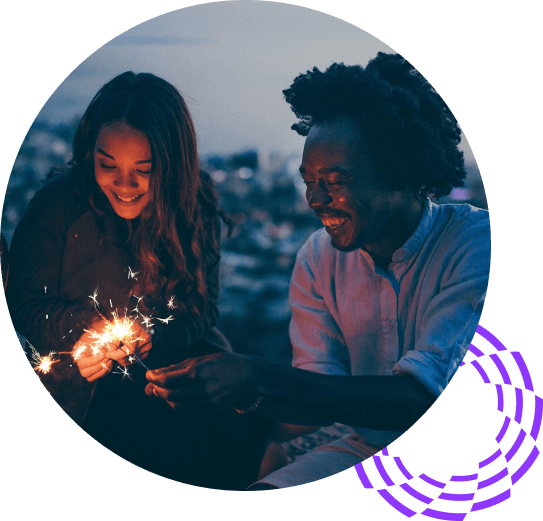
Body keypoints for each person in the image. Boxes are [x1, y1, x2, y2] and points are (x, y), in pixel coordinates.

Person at [144, 53, 491, 490]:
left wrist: (256, 373)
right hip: (365, 447)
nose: (316, 198)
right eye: (309, 180)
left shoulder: (473, 245)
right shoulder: (318, 257)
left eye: (336, 181)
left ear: (400, 172)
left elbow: (421, 399)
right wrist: (238, 392)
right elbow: (319, 395)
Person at [5, 71, 274, 490]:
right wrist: (85, 331)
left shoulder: (194, 203)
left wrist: (151, 333)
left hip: (166, 377)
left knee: (236, 433)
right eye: (107, 165)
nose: (125, 185)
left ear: (172, 164)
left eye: (144, 170)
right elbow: (21, 301)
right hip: (81, 390)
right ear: (89, 153)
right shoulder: (60, 204)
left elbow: (204, 308)